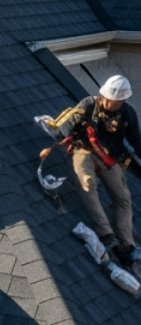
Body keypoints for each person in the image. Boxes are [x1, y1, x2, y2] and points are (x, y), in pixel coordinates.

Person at [51, 75, 138, 264]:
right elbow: (69, 122)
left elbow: (136, 141)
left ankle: (126, 246)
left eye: (118, 102)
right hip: (84, 148)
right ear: (104, 96)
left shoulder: (127, 114)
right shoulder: (89, 104)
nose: (113, 105)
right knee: (87, 183)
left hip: (110, 157)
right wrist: (58, 137)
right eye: (111, 101)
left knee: (123, 199)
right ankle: (106, 233)